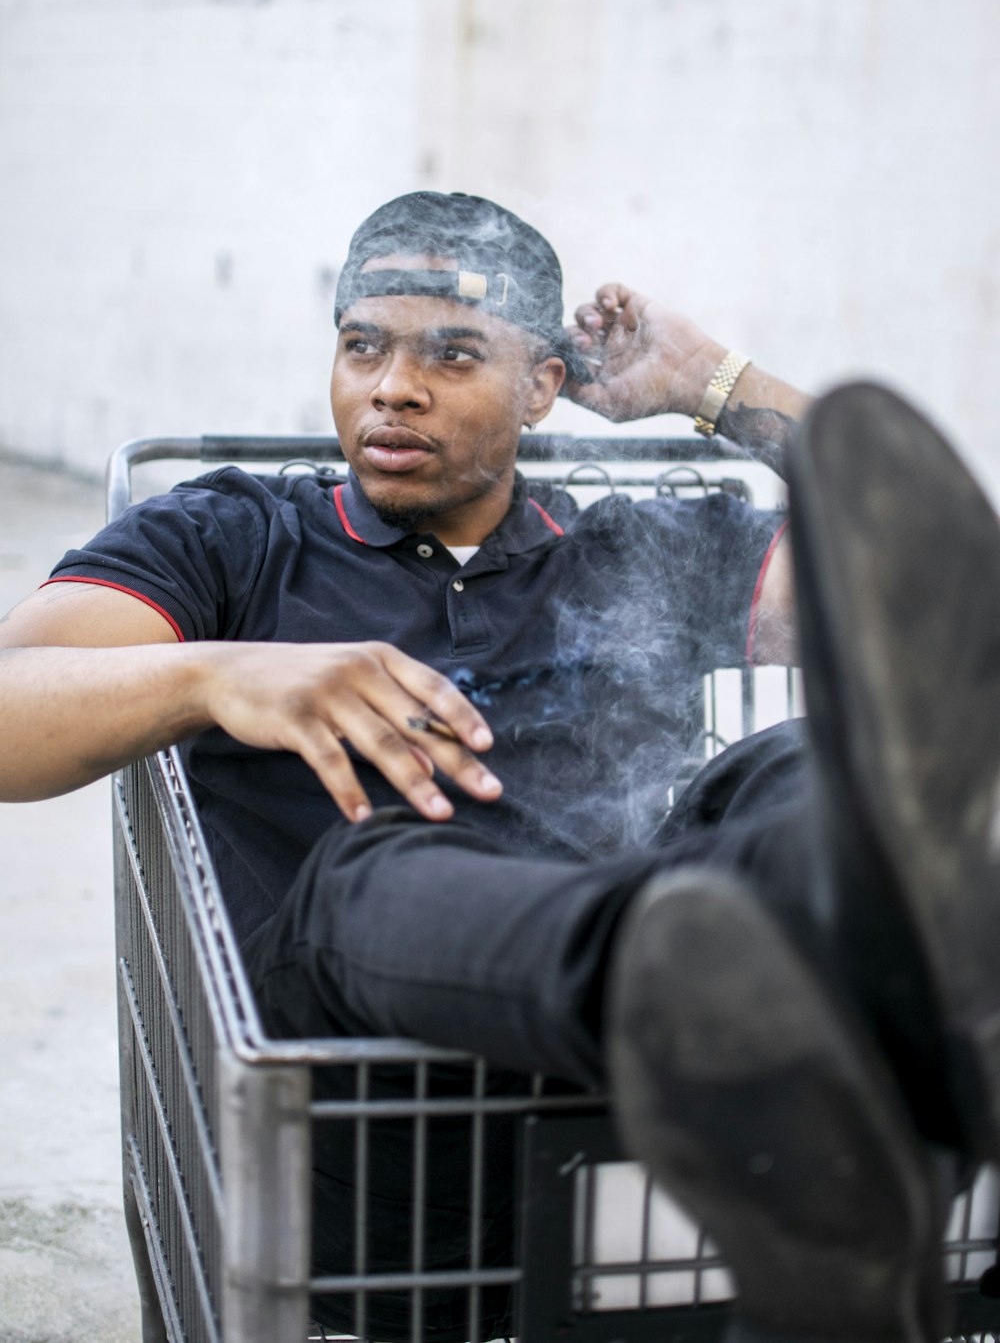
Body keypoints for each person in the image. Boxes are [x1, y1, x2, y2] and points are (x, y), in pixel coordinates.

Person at [1, 190, 999, 1343]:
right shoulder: (236, 540)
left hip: (625, 1135)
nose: (393, 386)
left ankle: (897, 966)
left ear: (542, 385)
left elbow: (923, 605)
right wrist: (221, 677)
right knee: (367, 872)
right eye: (362, 344)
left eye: (453, 353)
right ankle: (689, 987)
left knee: (789, 763)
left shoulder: (641, 551)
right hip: (362, 1123)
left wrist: (709, 383)